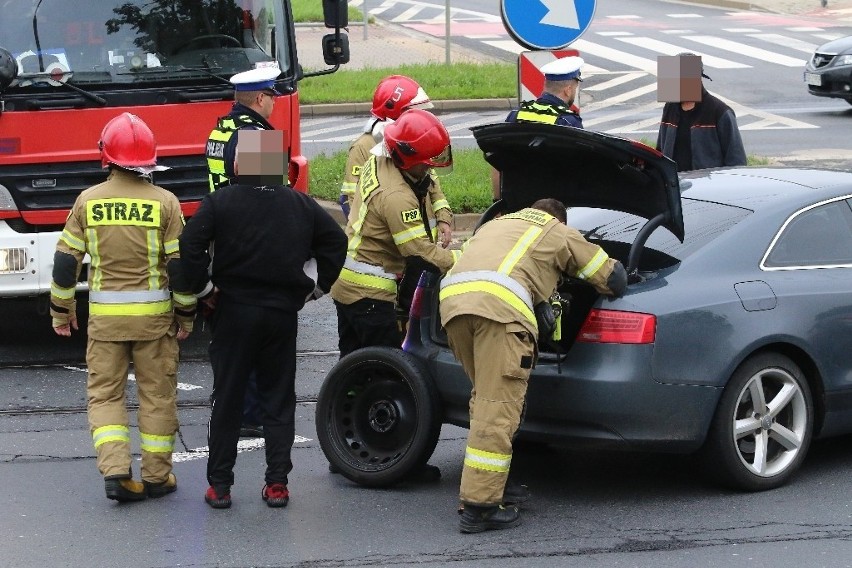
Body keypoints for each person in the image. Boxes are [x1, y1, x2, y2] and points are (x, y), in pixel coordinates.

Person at [180, 129, 346, 510]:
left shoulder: (220, 202)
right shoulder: (300, 204)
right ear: (277, 166)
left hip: (233, 312)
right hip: (280, 316)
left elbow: (189, 246)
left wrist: (205, 291)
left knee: (228, 400)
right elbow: (336, 243)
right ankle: (277, 484)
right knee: (278, 400)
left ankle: (220, 486)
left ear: (237, 164)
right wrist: (314, 289)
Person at [439, 198, 627, 533]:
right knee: (497, 408)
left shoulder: (495, 225)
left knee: (486, 400)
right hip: (499, 316)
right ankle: (480, 507)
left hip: (454, 310)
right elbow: (611, 277)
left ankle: (496, 484)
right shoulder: (556, 231)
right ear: (558, 217)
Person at [49, 112, 196, 502]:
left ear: (107, 157)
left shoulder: (88, 201)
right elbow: (179, 270)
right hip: (154, 323)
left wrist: (61, 312)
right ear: (149, 160)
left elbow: (66, 264)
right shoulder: (165, 203)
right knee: (157, 396)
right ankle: (156, 477)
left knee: (106, 396)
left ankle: (116, 471)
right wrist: (186, 315)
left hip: (105, 324)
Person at [330, 108, 460, 359]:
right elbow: (418, 252)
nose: (428, 167)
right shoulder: (397, 196)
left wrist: (443, 214)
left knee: (352, 362)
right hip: (369, 292)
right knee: (387, 366)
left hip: (348, 280)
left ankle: (346, 397)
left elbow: (428, 179)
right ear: (261, 97)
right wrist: (462, 259)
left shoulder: (382, 158)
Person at [205, 65, 284, 438]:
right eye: (272, 96)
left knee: (229, 333)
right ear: (259, 99)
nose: (274, 103)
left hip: (222, 239)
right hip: (251, 244)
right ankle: (251, 412)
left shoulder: (220, 129)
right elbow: (267, 200)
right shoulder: (256, 137)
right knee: (256, 333)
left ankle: (228, 402)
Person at [340, 74, 454, 249]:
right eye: (411, 111)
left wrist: (443, 217)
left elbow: (433, 185)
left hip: (419, 244)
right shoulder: (363, 147)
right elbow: (353, 198)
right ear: (394, 112)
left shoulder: (414, 145)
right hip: (392, 249)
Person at [493, 57, 585, 201]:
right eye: (574, 88)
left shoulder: (516, 115)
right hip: (554, 206)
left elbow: (498, 164)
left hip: (517, 202)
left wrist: (498, 203)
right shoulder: (569, 121)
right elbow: (579, 172)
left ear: (545, 85)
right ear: (568, 90)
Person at [655, 54, 747, 172]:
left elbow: (737, 162)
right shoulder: (670, 108)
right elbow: (661, 151)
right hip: (675, 185)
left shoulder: (720, 112)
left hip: (707, 187)